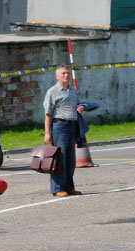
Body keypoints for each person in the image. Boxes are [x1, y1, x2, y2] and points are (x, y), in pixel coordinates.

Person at [43, 65, 85, 197]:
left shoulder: (73, 91)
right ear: (57, 76)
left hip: (72, 125)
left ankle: (68, 187)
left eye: (67, 73)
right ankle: (57, 188)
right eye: (63, 73)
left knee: (71, 159)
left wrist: (81, 108)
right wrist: (47, 133)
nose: (66, 75)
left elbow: (78, 104)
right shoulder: (52, 92)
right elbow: (48, 114)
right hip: (60, 126)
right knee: (60, 158)